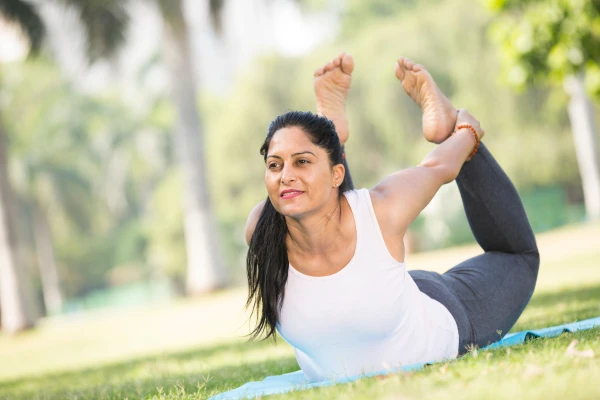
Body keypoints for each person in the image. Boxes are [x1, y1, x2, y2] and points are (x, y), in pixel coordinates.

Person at [245, 53, 540, 382]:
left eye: (301, 161)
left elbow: (438, 168)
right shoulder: (262, 228)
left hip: (437, 315)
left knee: (519, 258)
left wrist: (464, 131)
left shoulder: (382, 209)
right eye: (275, 164)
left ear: (336, 172)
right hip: (381, 291)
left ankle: (434, 124)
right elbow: (326, 216)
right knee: (330, 216)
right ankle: (331, 132)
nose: (285, 175)